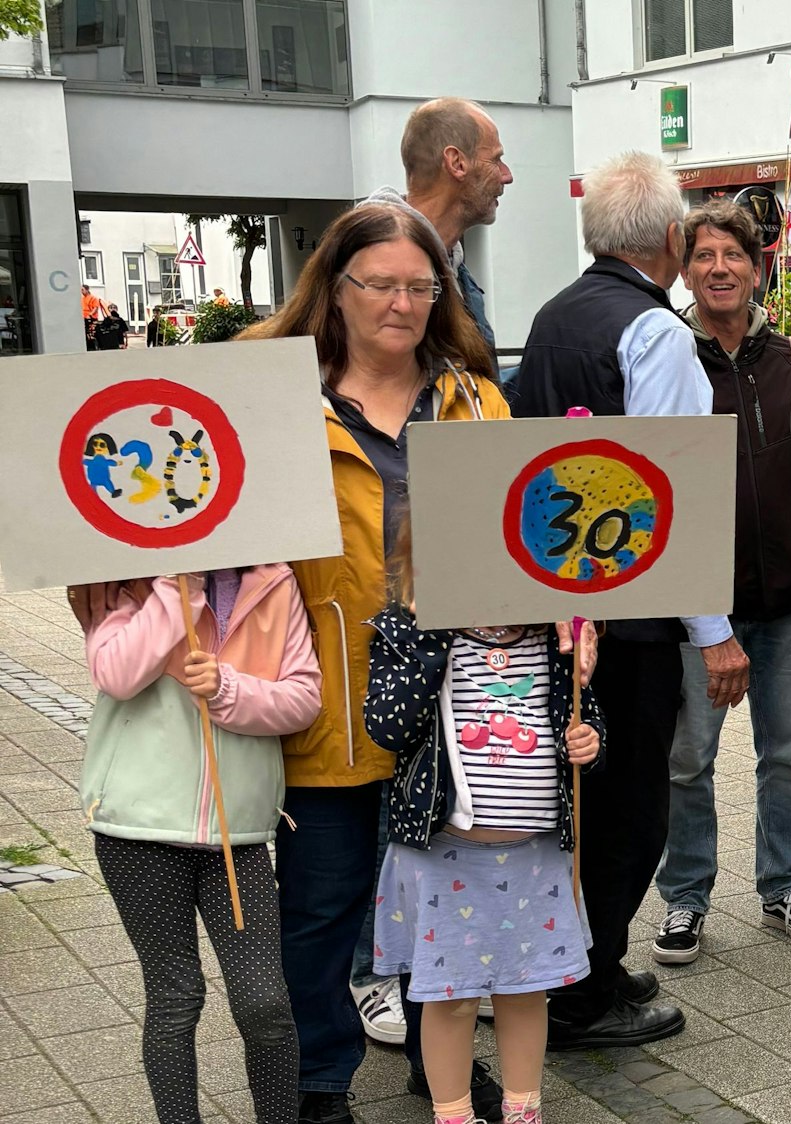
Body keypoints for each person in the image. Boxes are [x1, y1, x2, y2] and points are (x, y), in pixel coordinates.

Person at [236, 203, 511, 1124]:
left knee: (448, 898)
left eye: (420, 287)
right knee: (322, 906)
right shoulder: (276, 402)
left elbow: (516, 533)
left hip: (455, 701)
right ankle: (318, 1082)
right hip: (328, 695)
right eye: (379, 284)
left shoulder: (475, 398)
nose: (401, 304)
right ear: (335, 287)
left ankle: (441, 1066)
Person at [513, 150, 740, 1050]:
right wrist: (714, 633)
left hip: (555, 598)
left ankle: (583, 965)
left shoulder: (551, 317)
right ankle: (580, 994)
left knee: (580, 799)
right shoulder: (655, 333)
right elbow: (673, 493)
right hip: (631, 611)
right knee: (632, 813)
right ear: (673, 241)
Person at [364, 529, 605, 1124]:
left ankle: (524, 1111)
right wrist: (430, 631)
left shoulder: (554, 635)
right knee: (449, 997)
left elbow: (585, 717)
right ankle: (453, 1114)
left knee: (526, 988)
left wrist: (590, 742)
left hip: (533, 854)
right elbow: (389, 727)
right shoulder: (406, 630)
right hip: (444, 855)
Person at [649, 200, 791, 967]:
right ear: (685, 270)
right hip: (697, 606)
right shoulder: (665, 358)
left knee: (787, 756)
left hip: (789, 601)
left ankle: (784, 885)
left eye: (734, 255)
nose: (719, 268)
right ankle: (685, 898)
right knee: (687, 761)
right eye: (704, 255)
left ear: (757, 269)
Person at [72, 568, 321, 1124]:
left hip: (238, 834)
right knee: (175, 995)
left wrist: (229, 688)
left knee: (264, 1003)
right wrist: (175, 589)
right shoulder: (124, 584)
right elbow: (117, 675)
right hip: (138, 830)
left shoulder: (274, 582)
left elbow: (304, 698)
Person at [367, 96, 510, 364]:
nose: (507, 175)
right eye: (496, 160)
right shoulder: (373, 259)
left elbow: (466, 382)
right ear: (456, 163)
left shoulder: (451, 264)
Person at [81, 284, 105, 349]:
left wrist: (90, 315)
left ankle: (95, 346)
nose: (81, 291)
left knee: (92, 333)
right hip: (83, 318)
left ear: (87, 290)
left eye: (83, 290)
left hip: (91, 318)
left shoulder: (93, 298)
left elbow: (95, 308)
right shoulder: (82, 299)